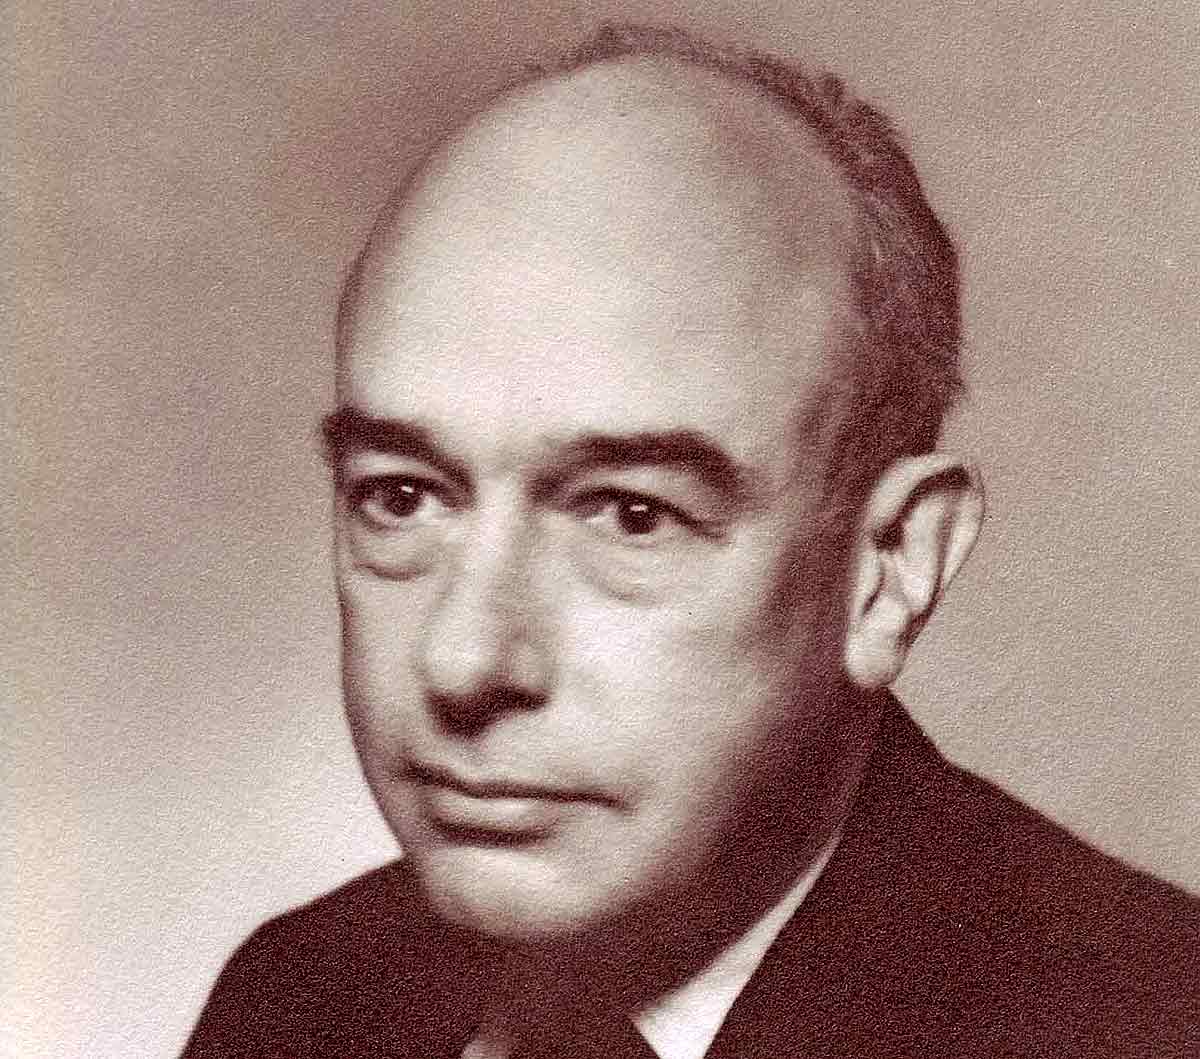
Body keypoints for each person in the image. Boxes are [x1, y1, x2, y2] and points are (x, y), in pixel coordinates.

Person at [182, 22, 1198, 1059]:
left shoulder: (1153, 1023)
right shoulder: (296, 1000)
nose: (463, 661)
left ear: (891, 566)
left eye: (633, 514)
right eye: (401, 496)